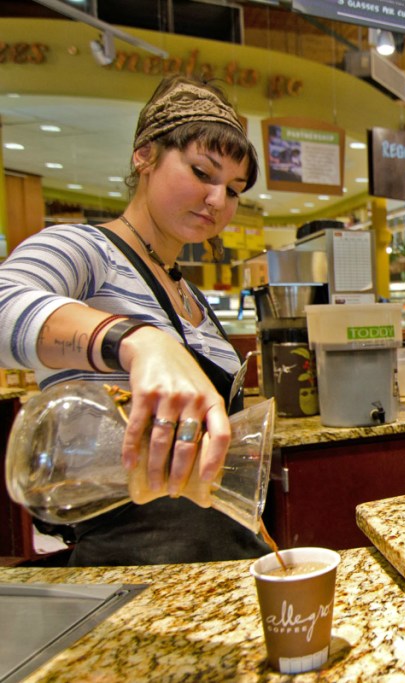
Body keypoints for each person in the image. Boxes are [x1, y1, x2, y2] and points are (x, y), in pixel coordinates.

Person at [0, 74, 270, 566]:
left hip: (224, 550)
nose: (217, 200)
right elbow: (5, 300)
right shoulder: (85, 250)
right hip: (135, 559)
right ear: (144, 156)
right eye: (203, 173)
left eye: (233, 189)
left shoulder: (188, 293)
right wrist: (137, 340)